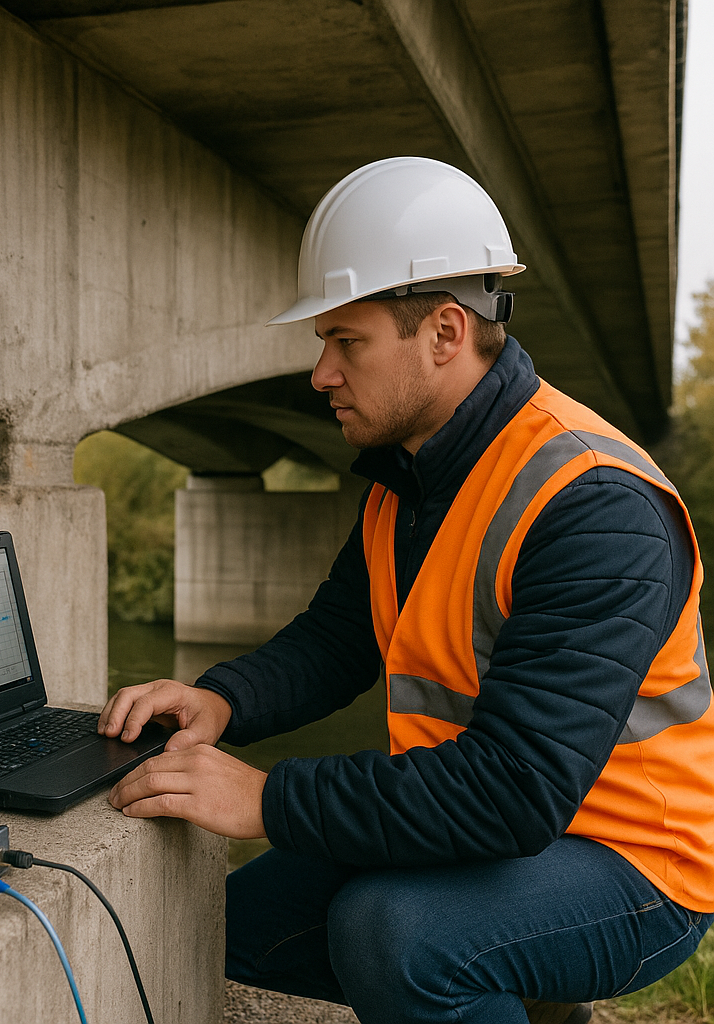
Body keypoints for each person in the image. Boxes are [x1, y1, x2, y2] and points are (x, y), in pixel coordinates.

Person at [98, 157, 714, 1024]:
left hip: (638, 863)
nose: (321, 374)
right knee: (225, 926)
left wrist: (268, 798)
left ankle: (522, 979)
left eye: (346, 342)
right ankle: (531, 995)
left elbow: (513, 791)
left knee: (395, 932)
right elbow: (341, 636)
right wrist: (220, 701)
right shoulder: (411, 477)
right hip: (487, 826)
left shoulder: (595, 506)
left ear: (446, 333)